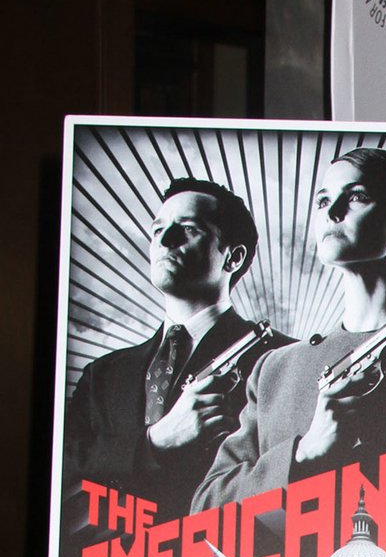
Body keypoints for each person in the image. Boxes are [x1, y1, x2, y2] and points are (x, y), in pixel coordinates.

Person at [194, 147, 386, 513]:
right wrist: (305, 451)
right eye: (323, 200)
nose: (332, 212)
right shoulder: (274, 371)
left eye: (357, 196)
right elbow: (205, 508)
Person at [64, 178, 280, 524]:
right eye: (158, 230)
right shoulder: (101, 375)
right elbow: (63, 468)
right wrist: (153, 443)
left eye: (189, 229)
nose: (165, 241)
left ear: (234, 257)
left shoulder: (281, 358)